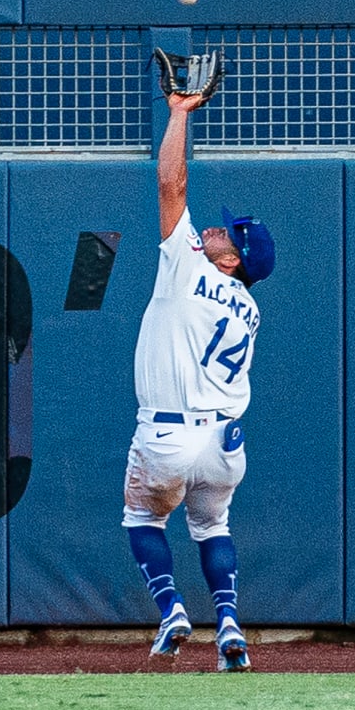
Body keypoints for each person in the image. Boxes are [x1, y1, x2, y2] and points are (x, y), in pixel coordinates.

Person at [121, 88, 275, 672]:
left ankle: (171, 611)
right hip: (225, 443)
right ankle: (230, 621)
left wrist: (179, 113)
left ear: (231, 261)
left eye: (228, 236)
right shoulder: (250, 310)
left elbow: (170, 185)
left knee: (143, 517)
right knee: (212, 525)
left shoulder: (189, 264)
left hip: (168, 434)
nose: (217, 231)